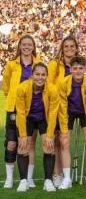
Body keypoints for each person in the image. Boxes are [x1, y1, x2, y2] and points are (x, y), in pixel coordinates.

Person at [2, 35, 41, 189]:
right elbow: (6, 86)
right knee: (11, 144)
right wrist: (14, 99)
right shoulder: (12, 65)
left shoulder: (38, 63)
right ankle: (9, 178)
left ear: (33, 47)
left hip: (32, 110)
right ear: (19, 46)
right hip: (14, 109)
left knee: (29, 144)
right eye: (23, 44)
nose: (26, 47)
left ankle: (29, 179)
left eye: (29, 44)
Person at [15, 63, 59, 192]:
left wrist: (50, 135)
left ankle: (48, 181)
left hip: (44, 119)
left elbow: (52, 113)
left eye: (43, 74)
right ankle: (24, 181)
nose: (40, 77)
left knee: (49, 146)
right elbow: (21, 113)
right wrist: (22, 135)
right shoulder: (22, 88)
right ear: (32, 75)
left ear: (47, 76)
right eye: (37, 74)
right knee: (23, 146)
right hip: (27, 118)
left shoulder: (52, 89)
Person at [57, 56, 86, 190]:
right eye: (75, 68)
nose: (78, 71)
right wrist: (63, 129)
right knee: (64, 142)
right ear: (70, 69)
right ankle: (67, 178)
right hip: (69, 112)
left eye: (81, 68)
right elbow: (62, 107)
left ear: (85, 69)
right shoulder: (63, 82)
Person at [47, 36, 79, 187]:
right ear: (62, 48)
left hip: (72, 107)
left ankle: (63, 174)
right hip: (58, 106)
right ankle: (56, 174)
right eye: (66, 46)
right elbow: (49, 84)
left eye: (72, 46)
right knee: (56, 142)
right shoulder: (55, 64)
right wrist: (61, 92)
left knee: (65, 141)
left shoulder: (79, 64)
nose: (69, 49)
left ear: (76, 48)